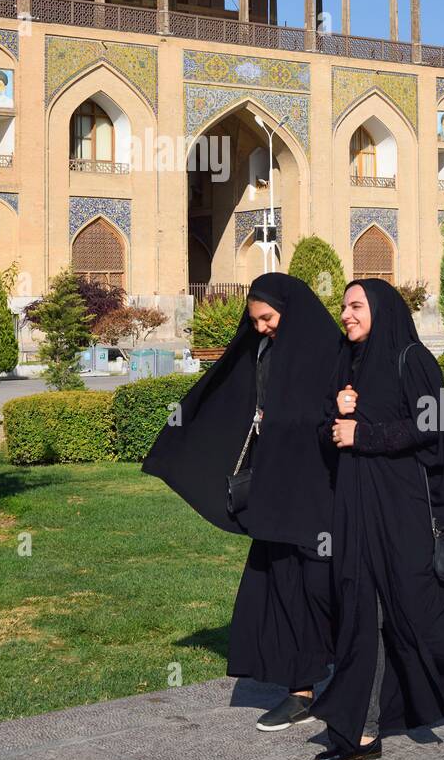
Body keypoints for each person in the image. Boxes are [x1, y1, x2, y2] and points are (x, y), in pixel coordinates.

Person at [312, 278, 444, 760]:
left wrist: (362, 433)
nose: (345, 314)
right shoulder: (346, 363)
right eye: (343, 306)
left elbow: (432, 427)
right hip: (356, 512)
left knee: (423, 611)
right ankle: (362, 732)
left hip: (406, 511)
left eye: (356, 306)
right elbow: (330, 433)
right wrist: (335, 417)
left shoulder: (412, 358)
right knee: (363, 613)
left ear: (381, 309)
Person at [142, 272, 342, 730]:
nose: (262, 328)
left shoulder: (329, 351)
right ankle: (300, 688)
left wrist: (290, 421)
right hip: (278, 492)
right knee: (282, 585)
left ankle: (350, 678)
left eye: (268, 319)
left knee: (326, 586)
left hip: (321, 496)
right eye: (254, 321)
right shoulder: (263, 350)